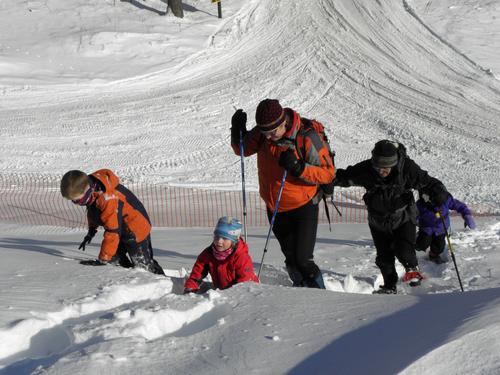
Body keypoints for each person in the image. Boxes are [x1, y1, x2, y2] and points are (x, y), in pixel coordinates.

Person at [231, 99, 335, 288]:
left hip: (303, 206)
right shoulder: (263, 133)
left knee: (303, 259)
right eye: (265, 133)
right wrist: (236, 128)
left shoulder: (306, 136)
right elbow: (242, 149)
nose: (269, 137)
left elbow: (328, 174)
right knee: (290, 257)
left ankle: (319, 295)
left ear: (283, 122)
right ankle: (299, 288)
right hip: (275, 206)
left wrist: (299, 168)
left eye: (273, 132)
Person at [333, 140, 446, 294]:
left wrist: (439, 193)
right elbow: (345, 176)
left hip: (403, 217)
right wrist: (328, 180)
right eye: (378, 167)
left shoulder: (407, 168)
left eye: (385, 168)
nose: (381, 171)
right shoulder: (367, 169)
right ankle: (389, 286)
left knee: (404, 249)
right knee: (384, 257)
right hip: (377, 221)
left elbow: (429, 182)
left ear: (394, 163)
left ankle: (413, 273)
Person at [60, 169, 165, 275]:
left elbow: (112, 231)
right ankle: (128, 281)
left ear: (88, 189)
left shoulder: (108, 199)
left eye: (78, 200)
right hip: (120, 228)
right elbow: (93, 211)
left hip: (136, 230)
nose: (77, 203)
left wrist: (103, 259)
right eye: (73, 201)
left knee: (143, 265)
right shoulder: (92, 190)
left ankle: (162, 283)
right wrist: (91, 231)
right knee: (116, 260)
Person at [184, 217, 259, 293]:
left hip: (247, 293)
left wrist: (228, 296)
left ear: (233, 241)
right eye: (217, 237)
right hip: (222, 292)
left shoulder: (241, 257)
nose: (219, 241)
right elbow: (196, 275)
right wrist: (189, 289)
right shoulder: (208, 253)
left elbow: (244, 284)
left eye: (224, 238)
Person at [416, 185, 476, 264]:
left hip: (441, 228)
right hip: (427, 228)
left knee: (439, 247)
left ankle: (434, 255)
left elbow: (460, 206)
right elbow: (414, 214)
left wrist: (467, 215)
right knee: (421, 245)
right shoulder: (421, 204)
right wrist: (414, 222)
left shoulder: (446, 199)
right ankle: (413, 243)